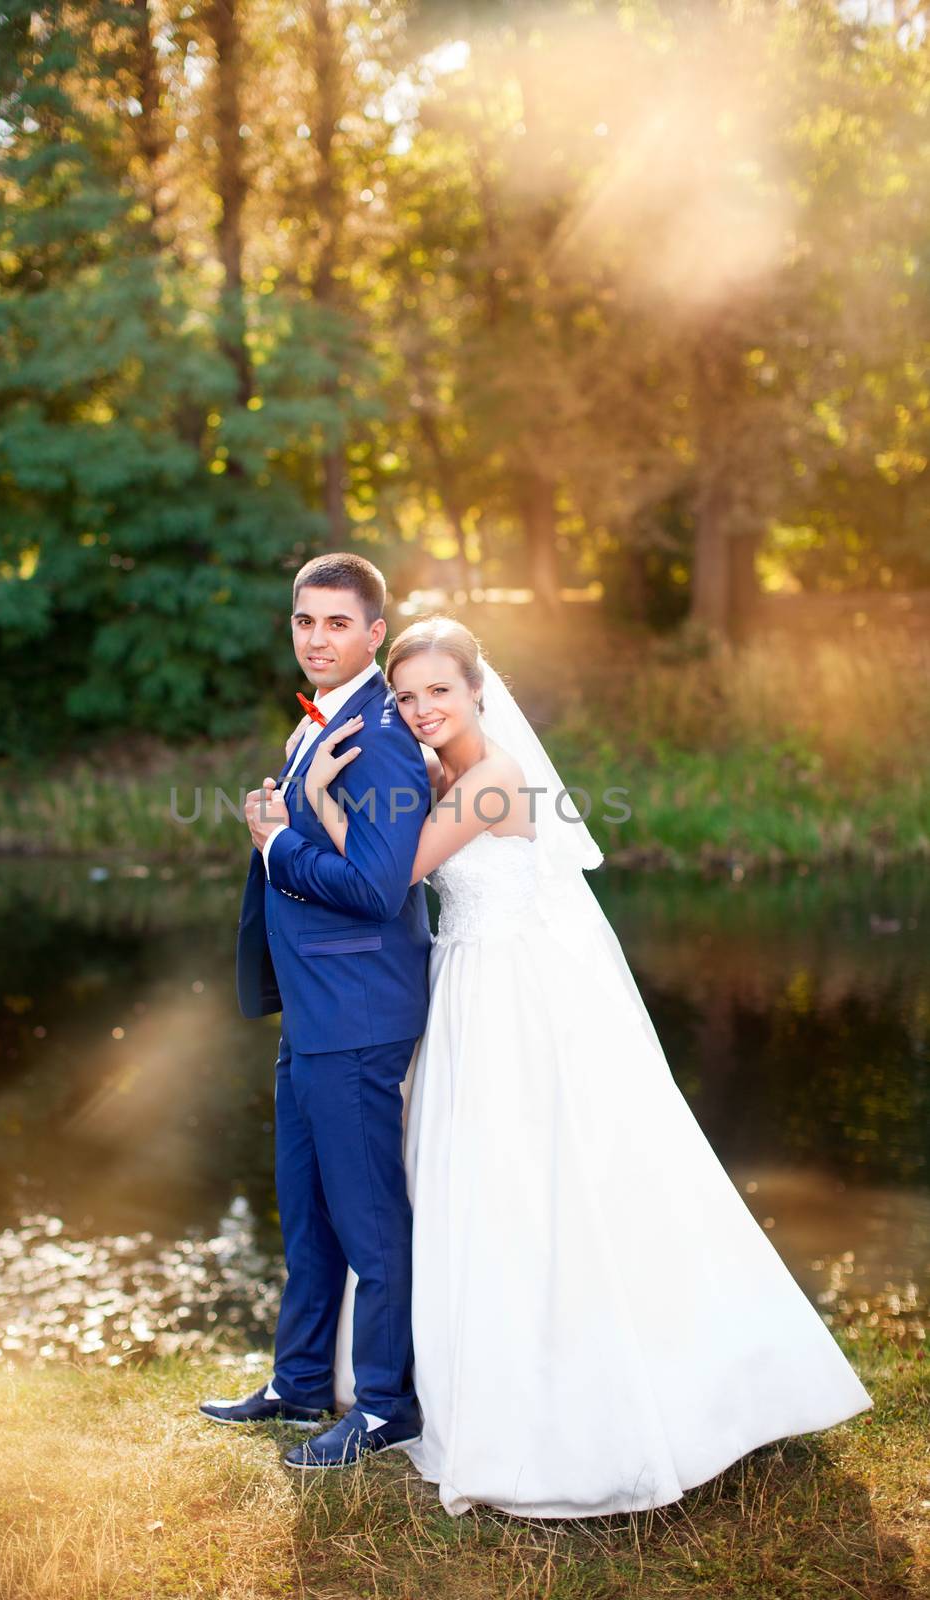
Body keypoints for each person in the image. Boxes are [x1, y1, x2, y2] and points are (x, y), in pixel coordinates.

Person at [294, 613, 874, 1518]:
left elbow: (396, 872)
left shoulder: (493, 777)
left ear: (479, 690)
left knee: (541, 1177)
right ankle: (473, 1381)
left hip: (516, 997)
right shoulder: (439, 771)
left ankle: (598, 1399)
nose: (418, 709)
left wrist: (318, 807)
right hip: (465, 989)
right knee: (478, 1183)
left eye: (438, 691)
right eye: (404, 696)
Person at [198, 552, 432, 1469]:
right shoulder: (320, 722)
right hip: (314, 1011)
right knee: (306, 1211)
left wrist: (277, 841)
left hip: (360, 1012)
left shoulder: (378, 733)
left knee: (369, 1220)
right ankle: (300, 1385)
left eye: (338, 623)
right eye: (305, 621)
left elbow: (376, 889)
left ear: (375, 632)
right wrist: (283, 819)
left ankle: (383, 1407)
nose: (317, 638)